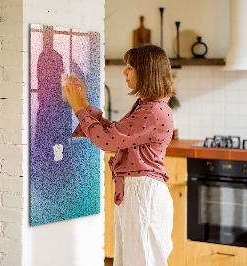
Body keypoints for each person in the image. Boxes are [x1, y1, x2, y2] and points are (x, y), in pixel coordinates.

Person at [62, 44, 175, 266]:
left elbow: (106, 141)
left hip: (143, 196)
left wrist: (78, 108)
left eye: (130, 67)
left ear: (146, 71)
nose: (124, 72)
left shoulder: (152, 111)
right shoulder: (148, 106)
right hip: (137, 194)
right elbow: (114, 133)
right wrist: (84, 103)